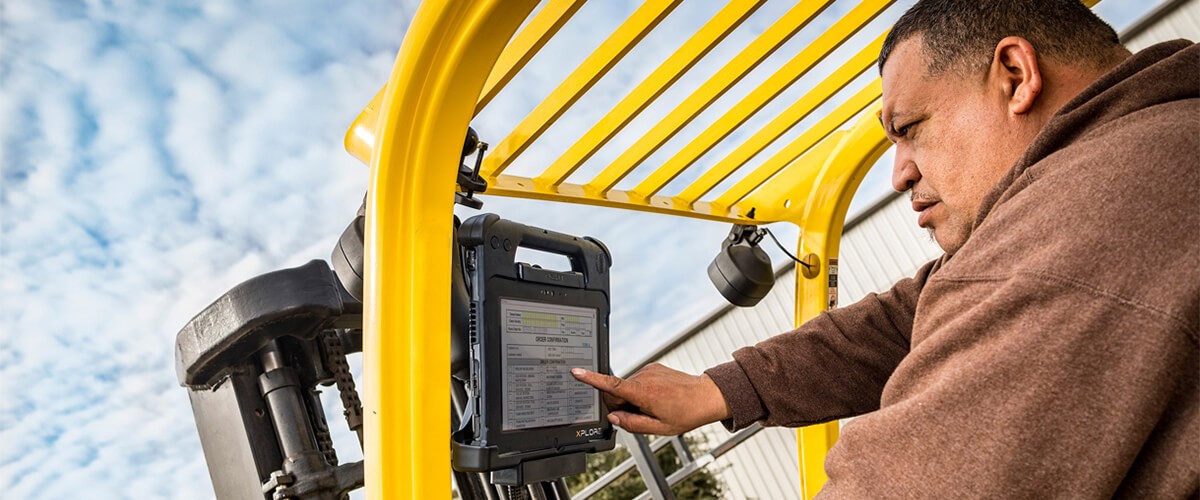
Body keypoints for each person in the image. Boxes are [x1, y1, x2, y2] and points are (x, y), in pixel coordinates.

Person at [572, 0, 1199, 496]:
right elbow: (905, 317)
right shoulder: (1148, 150)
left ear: (1015, 75)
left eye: (910, 130)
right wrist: (718, 391)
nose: (899, 172)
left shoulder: (1086, 212)